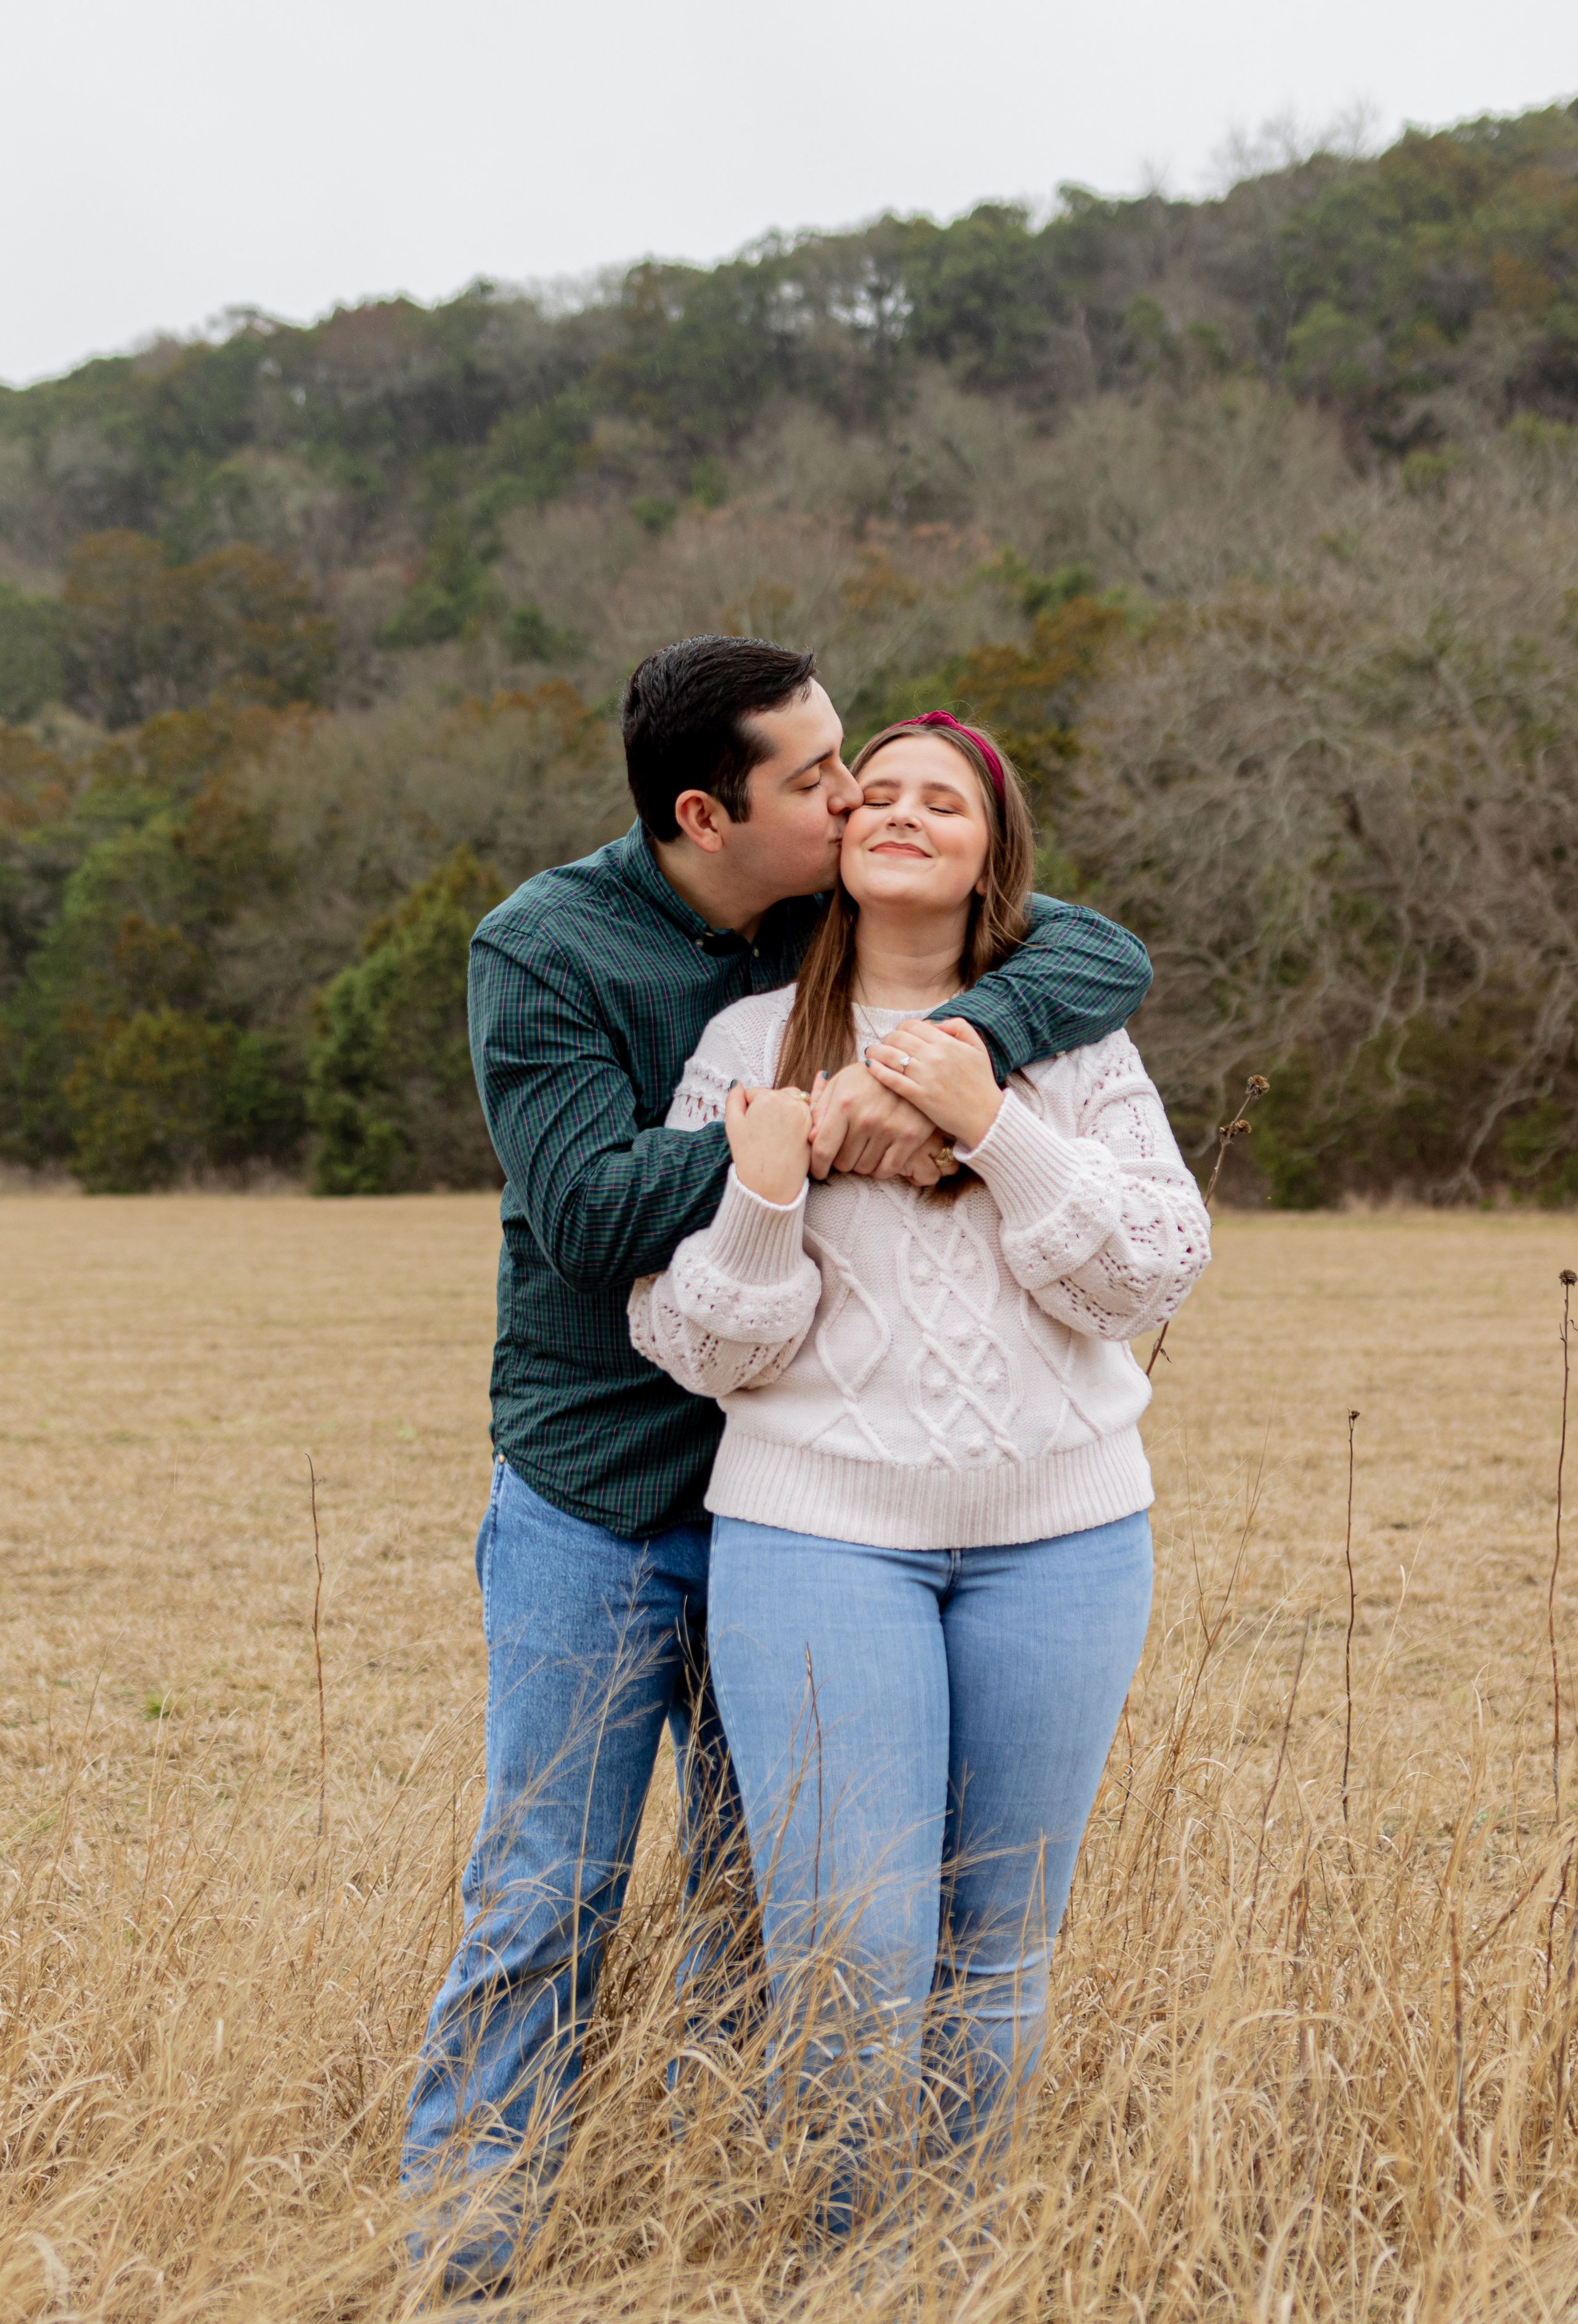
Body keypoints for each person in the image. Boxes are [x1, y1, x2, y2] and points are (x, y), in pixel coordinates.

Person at [401, 638, 1155, 2286]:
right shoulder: (543, 947)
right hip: (605, 1490)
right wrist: (803, 1125)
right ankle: (462, 2256)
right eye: (817, 779)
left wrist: (943, 1066)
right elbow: (588, 1206)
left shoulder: (838, 915)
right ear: (704, 811)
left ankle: (710, 2229)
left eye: (854, 768)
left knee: (787, 1921)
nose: (851, 798)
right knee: (550, 1898)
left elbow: (1090, 946)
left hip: (813, 1517)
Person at [628, 710, 1211, 2224]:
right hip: (818, 1544)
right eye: (868, 791)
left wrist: (991, 1125)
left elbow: (1152, 1273)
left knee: (995, 1950)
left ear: (987, 851)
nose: (895, 811)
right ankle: (848, 2274)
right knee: (849, 1958)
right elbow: (697, 1344)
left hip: (1063, 1542)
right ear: (832, 842)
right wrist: (761, 1191)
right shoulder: (744, 1050)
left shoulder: (1073, 1042)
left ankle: (958, 2264)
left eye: (937, 799)